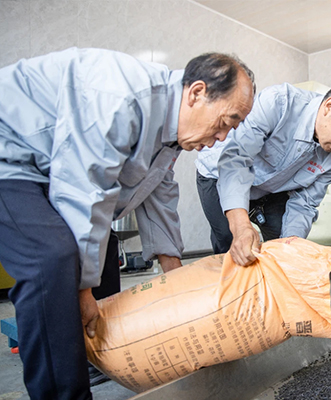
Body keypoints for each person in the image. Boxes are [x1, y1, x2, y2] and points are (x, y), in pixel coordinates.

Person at [0, 47, 255, 400]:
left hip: (51, 169)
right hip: (10, 155)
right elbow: (84, 188)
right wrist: (81, 290)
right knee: (53, 260)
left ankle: (92, 361)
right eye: (226, 121)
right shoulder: (121, 97)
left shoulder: (170, 131)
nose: (223, 136)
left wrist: (174, 273)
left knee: (97, 261)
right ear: (197, 93)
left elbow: (160, 193)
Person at [195, 77, 331, 266]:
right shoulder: (278, 103)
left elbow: (306, 202)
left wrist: (290, 247)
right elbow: (236, 162)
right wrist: (241, 226)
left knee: (284, 246)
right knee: (232, 242)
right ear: (329, 106)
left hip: (271, 190)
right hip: (219, 174)